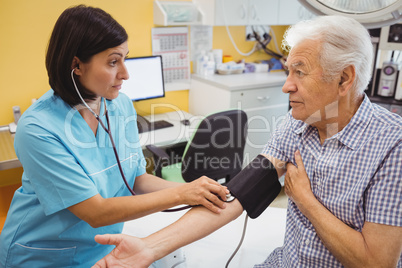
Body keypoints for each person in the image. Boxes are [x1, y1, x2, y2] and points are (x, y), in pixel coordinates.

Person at [93, 15, 402, 268]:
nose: (286, 86)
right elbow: (237, 196)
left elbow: (376, 262)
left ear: (344, 79)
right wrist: (150, 247)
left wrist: (306, 201)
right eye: (287, 71)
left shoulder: (392, 146)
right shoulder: (295, 126)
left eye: (300, 72)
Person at [0, 5, 229, 267]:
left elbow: (138, 180)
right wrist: (183, 195)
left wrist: (200, 192)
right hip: (42, 255)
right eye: (113, 61)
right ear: (76, 65)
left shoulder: (120, 106)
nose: (125, 73)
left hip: (104, 249)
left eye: (124, 58)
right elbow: (95, 212)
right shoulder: (38, 128)